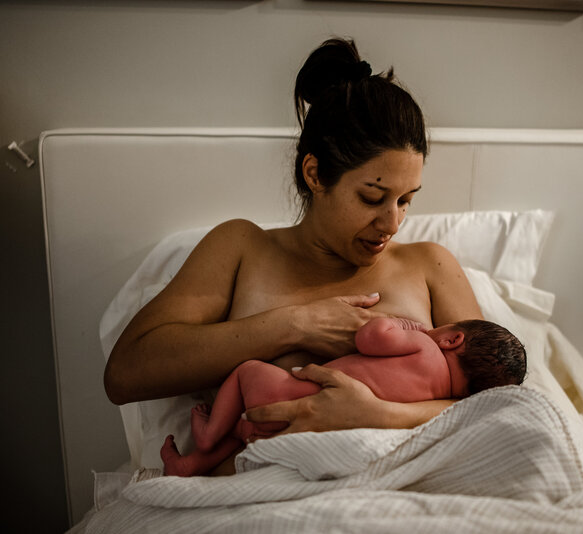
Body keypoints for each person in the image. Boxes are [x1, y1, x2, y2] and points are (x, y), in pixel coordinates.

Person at [104, 37, 485, 476]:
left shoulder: (429, 265)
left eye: (405, 200)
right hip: (260, 502)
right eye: (372, 197)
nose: (392, 223)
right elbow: (126, 373)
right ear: (315, 174)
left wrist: (377, 414)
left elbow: (500, 402)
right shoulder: (240, 249)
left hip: (402, 487)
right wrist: (296, 325)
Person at [160, 317, 526, 477]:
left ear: (452, 339)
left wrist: (404, 326)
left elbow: (369, 338)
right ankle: (190, 466)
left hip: (289, 393)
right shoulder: (435, 400)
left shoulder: (425, 346)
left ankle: (207, 438)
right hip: (304, 437)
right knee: (245, 431)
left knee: (246, 371)